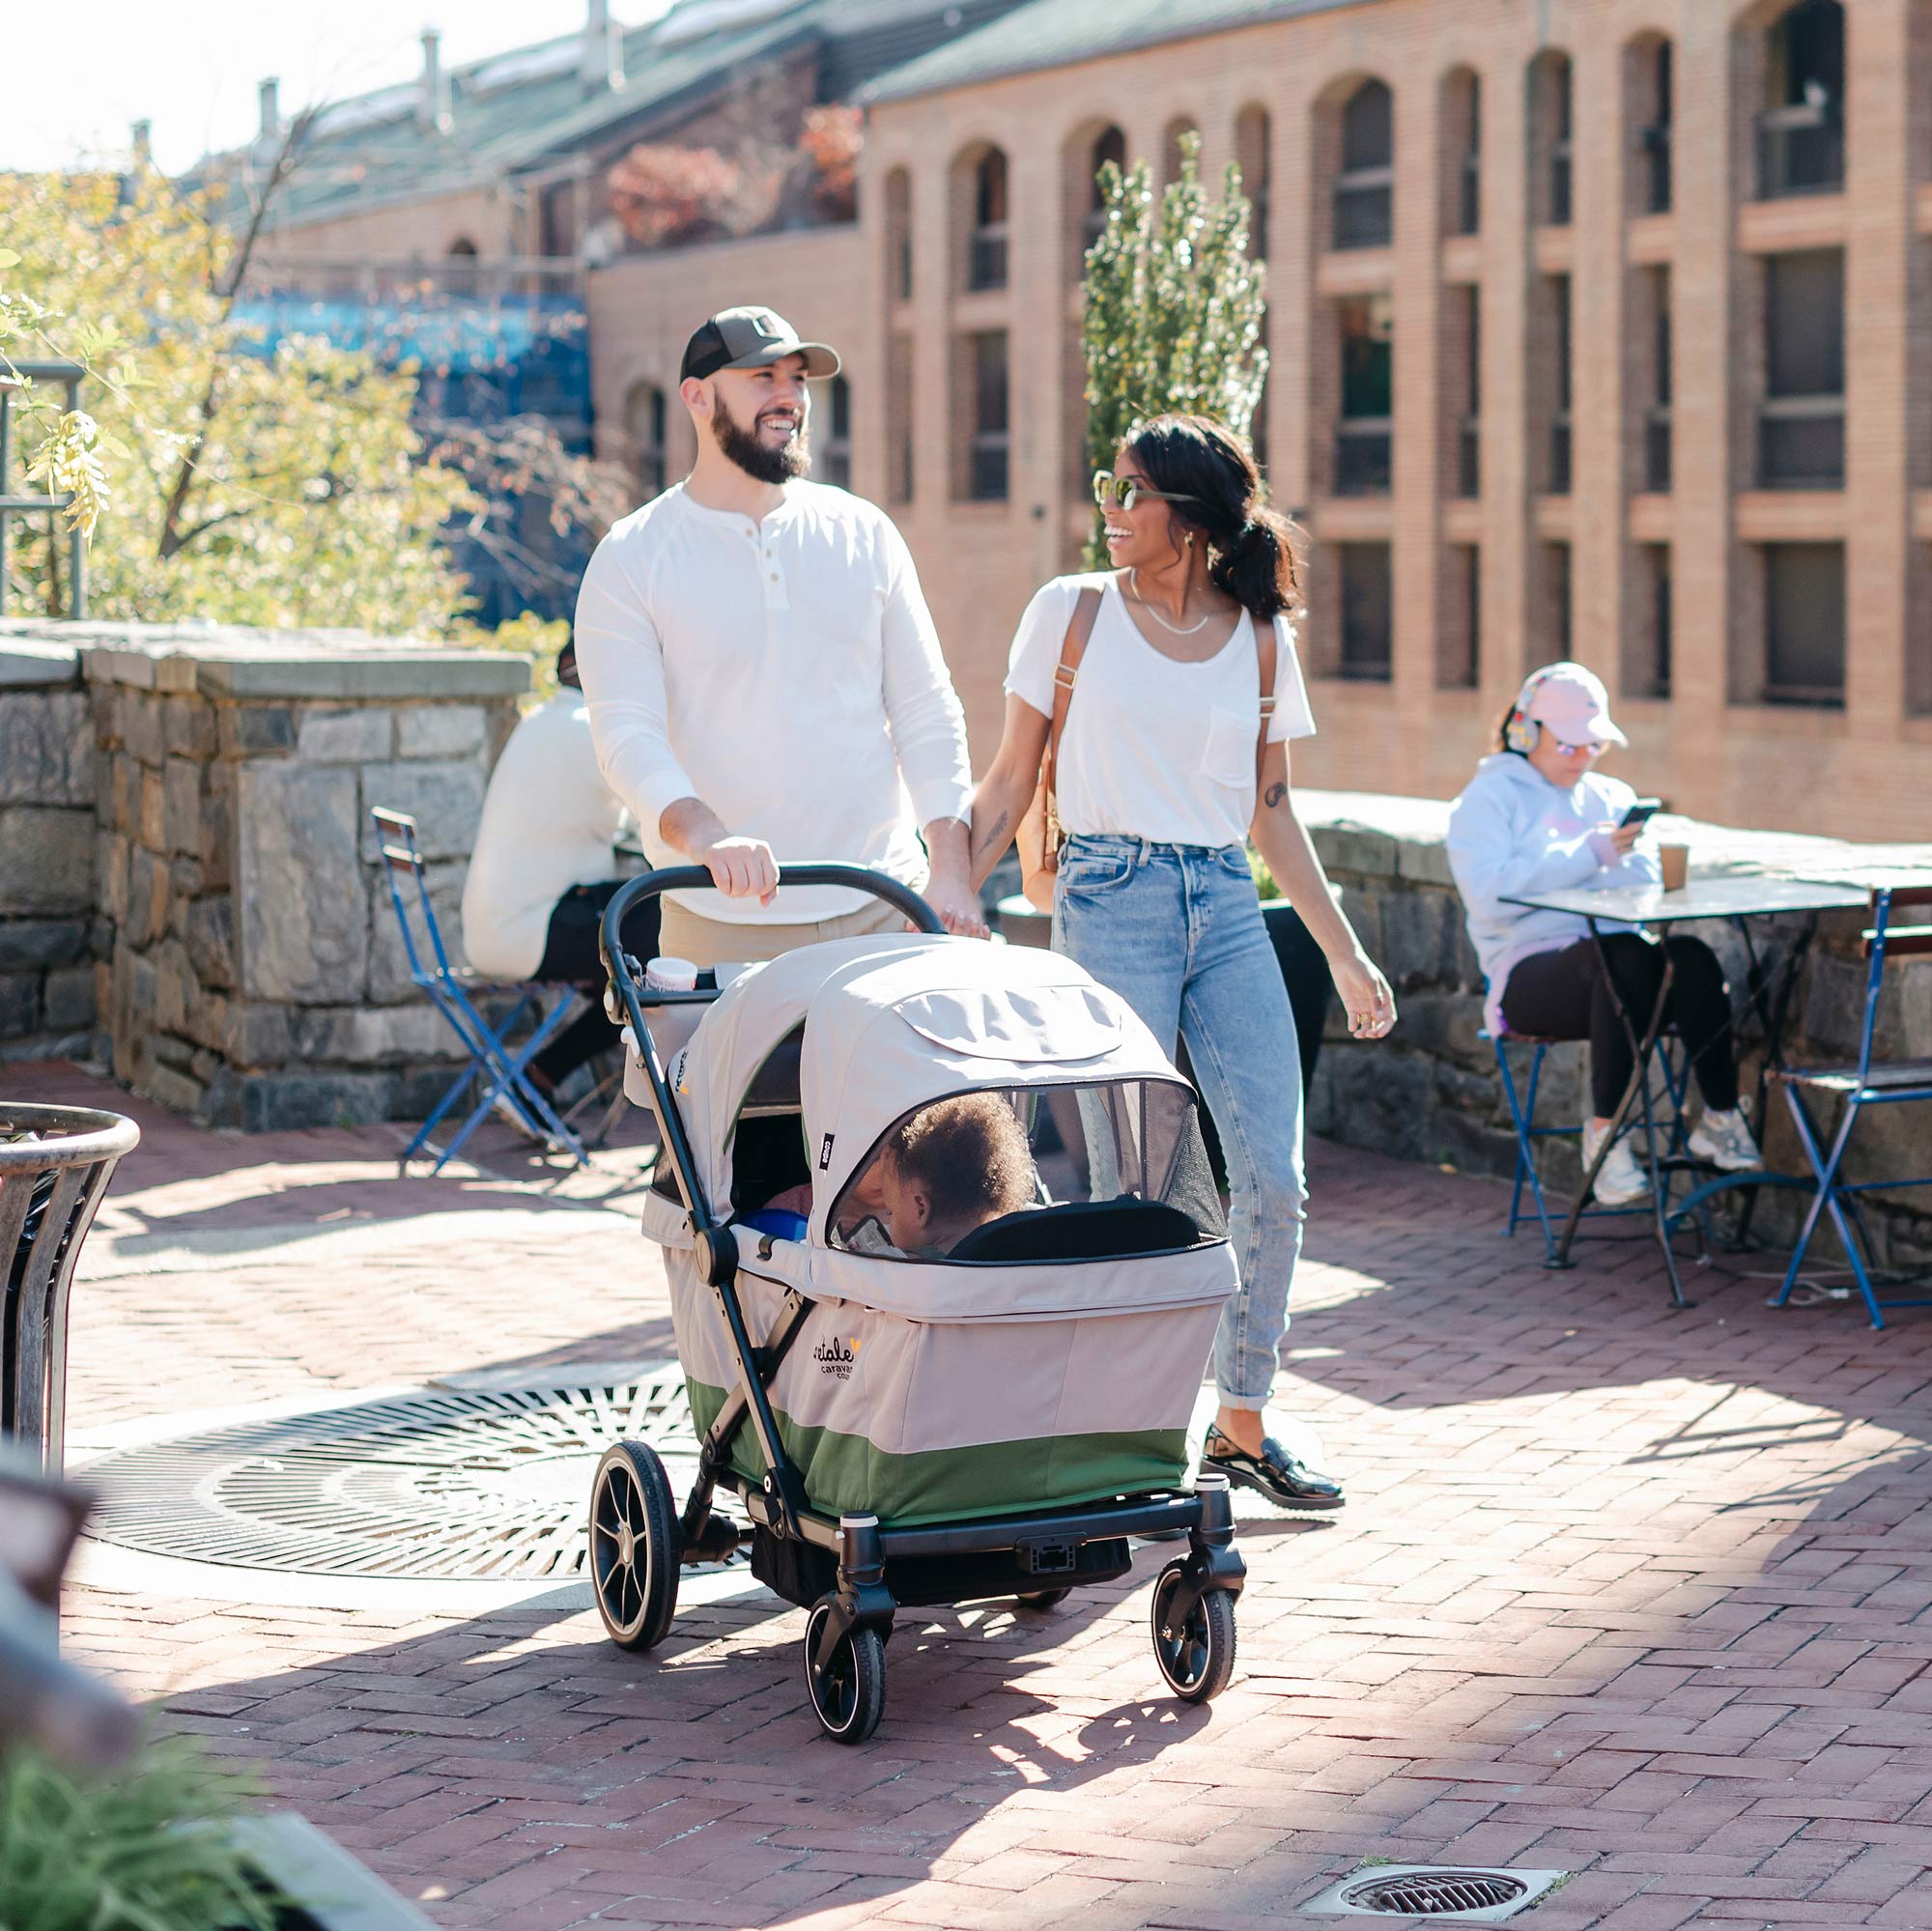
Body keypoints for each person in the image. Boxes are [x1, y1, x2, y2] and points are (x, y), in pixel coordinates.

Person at [965, 412, 1397, 1512]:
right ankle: (1124, 1434)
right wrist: (945, 884)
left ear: (1191, 519)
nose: (1108, 510)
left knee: (1272, 1179)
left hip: (1226, 904)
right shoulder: (1067, 615)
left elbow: (1273, 808)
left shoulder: (1258, 638)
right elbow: (1010, 780)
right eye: (1105, 487)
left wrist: (1344, 955)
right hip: (1111, 897)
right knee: (1136, 1179)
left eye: (1130, 493)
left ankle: (1239, 1419)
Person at [574, 304, 983, 970]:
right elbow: (626, 737)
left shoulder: (865, 532)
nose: (789, 396)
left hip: (884, 906)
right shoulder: (632, 557)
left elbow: (926, 710)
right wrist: (708, 839)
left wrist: (952, 870)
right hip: (719, 919)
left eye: (798, 379)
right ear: (697, 397)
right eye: (763, 377)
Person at [1446, 662, 1762, 1206]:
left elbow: (1639, 885)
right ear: (1526, 731)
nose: (1583, 757)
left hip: (1618, 965)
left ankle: (1718, 1117)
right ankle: (1604, 1134)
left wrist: (1609, 862)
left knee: (1690, 956)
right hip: (1528, 976)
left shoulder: (1609, 796)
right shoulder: (1488, 798)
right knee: (1618, 958)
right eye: (1569, 746)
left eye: (1593, 746)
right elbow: (1489, 897)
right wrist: (1588, 855)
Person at [459, 639, 659, 1112]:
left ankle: (538, 1081)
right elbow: (655, 820)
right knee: (664, 949)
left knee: (641, 958)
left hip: (508, 926)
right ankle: (541, 1082)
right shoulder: (590, 731)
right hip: (530, 930)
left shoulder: (543, 719)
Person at [825, 1093, 1038, 1258]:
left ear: (920, 1207)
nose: (889, 1223)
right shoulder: (1016, 1248)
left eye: (891, 1213)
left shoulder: (903, 1268)